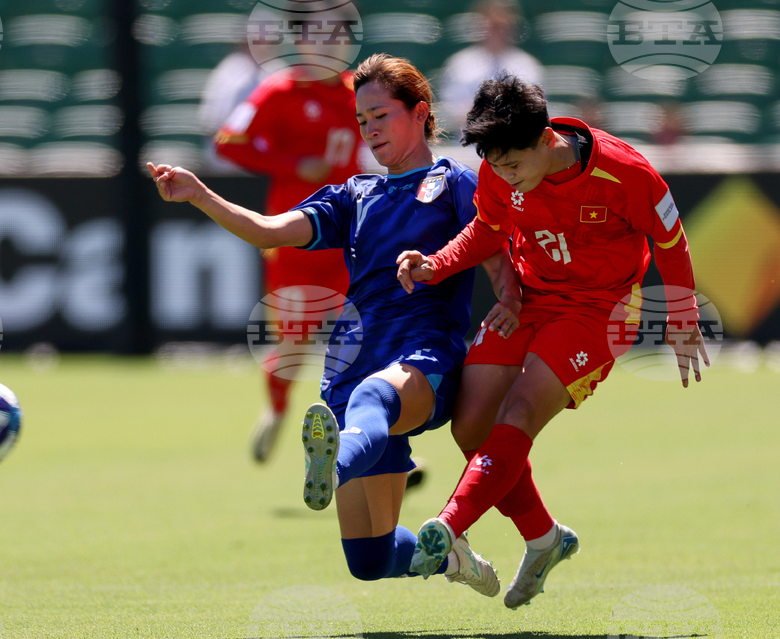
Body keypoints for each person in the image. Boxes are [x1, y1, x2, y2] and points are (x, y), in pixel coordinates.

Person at [149, 54, 521, 593]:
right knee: (368, 558)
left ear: (420, 113)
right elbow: (270, 231)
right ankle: (452, 560)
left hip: (424, 354)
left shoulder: (456, 183)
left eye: (380, 115)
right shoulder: (354, 195)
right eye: (362, 120)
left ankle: (333, 461)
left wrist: (509, 297)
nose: (369, 130)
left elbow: (495, 256)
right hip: (353, 363)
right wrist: (200, 194)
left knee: (373, 400)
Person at [396, 74, 709, 609]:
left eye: (513, 165)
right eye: (495, 165)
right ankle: (545, 539)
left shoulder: (626, 172)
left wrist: (681, 309)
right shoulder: (501, 168)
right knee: (471, 427)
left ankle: (448, 527)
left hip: (596, 314)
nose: (504, 176)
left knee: (518, 411)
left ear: (546, 141)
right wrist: (437, 264)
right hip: (527, 302)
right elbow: (488, 230)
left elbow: (670, 237)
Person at [213, 69, 359, 464]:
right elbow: (228, 142)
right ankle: (277, 408)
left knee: (362, 343)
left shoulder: (360, 90)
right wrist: (293, 163)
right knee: (295, 343)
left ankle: (373, 444)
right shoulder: (279, 90)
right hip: (293, 236)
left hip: (351, 235)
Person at [438, 0, 543, 137]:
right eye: (491, 25)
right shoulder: (459, 64)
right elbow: (450, 109)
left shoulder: (528, 65)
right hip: (470, 145)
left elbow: (535, 110)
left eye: (501, 25)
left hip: (515, 144)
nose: (496, 31)